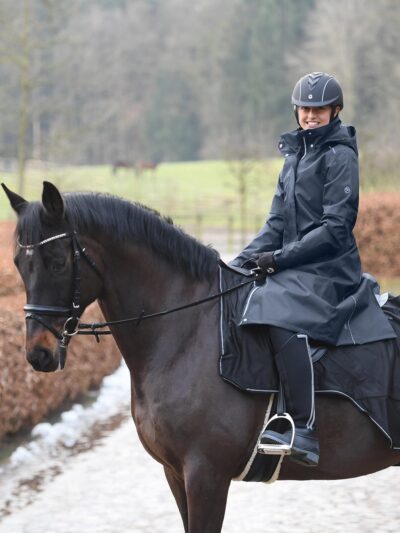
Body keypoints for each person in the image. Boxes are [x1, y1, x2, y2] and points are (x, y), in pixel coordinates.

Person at [229, 72, 396, 467]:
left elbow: (336, 228)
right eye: (304, 108)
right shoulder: (293, 157)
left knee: (273, 308)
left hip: (330, 269)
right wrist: (236, 264)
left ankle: (301, 426)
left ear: (334, 111)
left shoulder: (340, 155)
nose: (310, 115)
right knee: (244, 294)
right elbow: (275, 226)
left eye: (318, 109)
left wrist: (280, 260)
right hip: (297, 265)